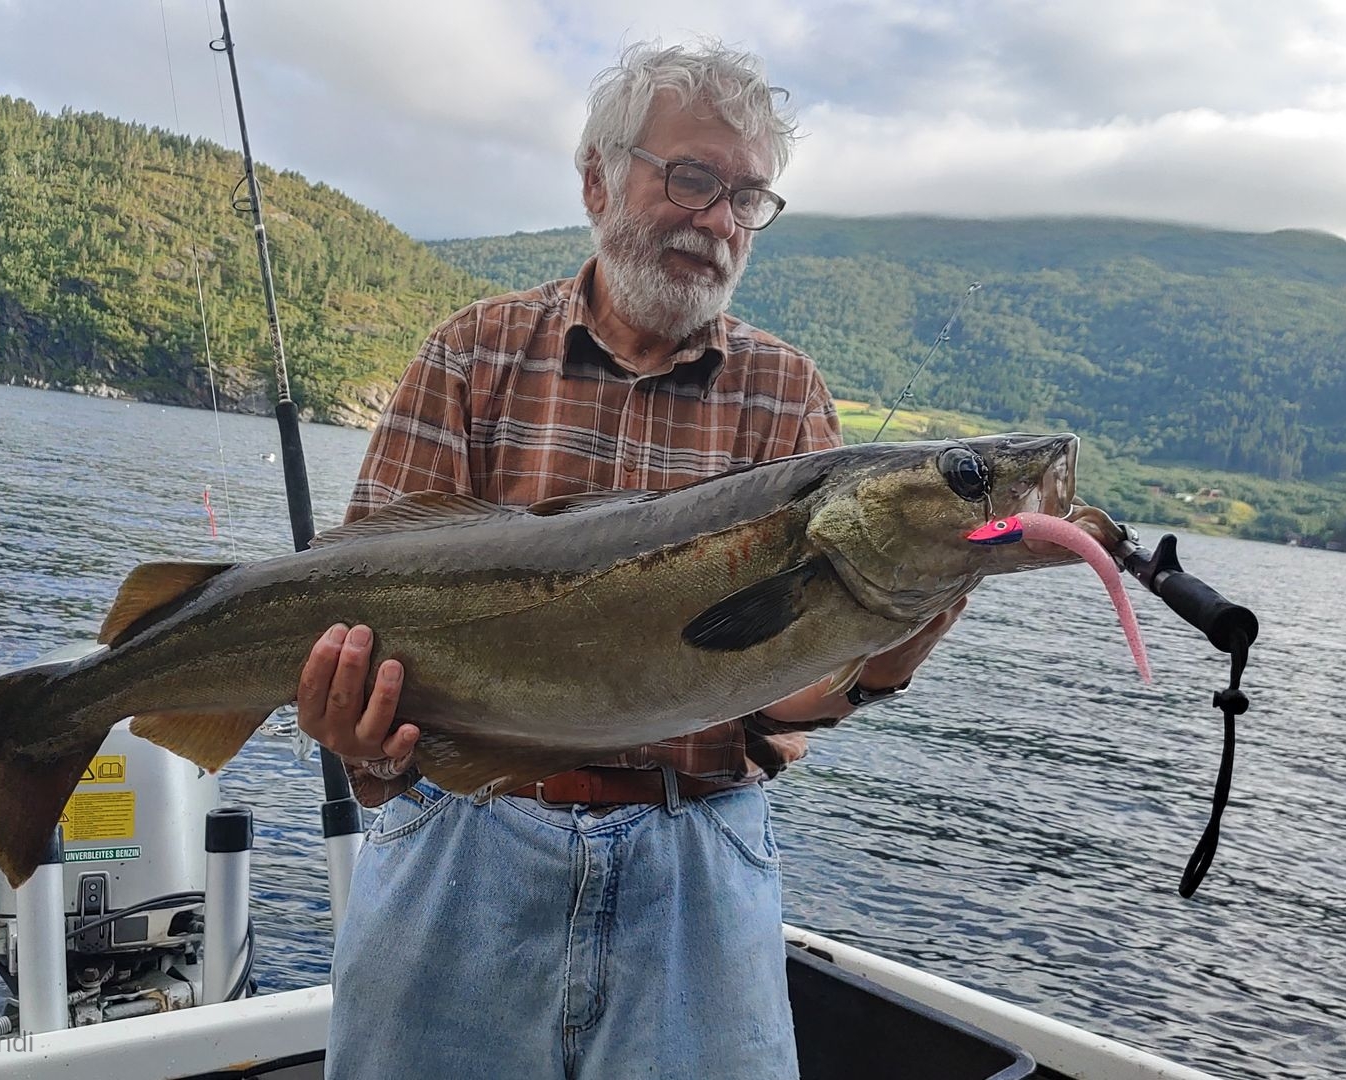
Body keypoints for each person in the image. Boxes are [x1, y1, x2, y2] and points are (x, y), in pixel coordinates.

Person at [296, 40, 967, 1080]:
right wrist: (369, 749)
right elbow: (361, 625)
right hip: (464, 846)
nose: (718, 221)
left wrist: (887, 660)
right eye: (692, 177)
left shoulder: (786, 396)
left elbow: (775, 708)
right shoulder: (471, 353)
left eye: (747, 197)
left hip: (695, 865)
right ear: (596, 180)